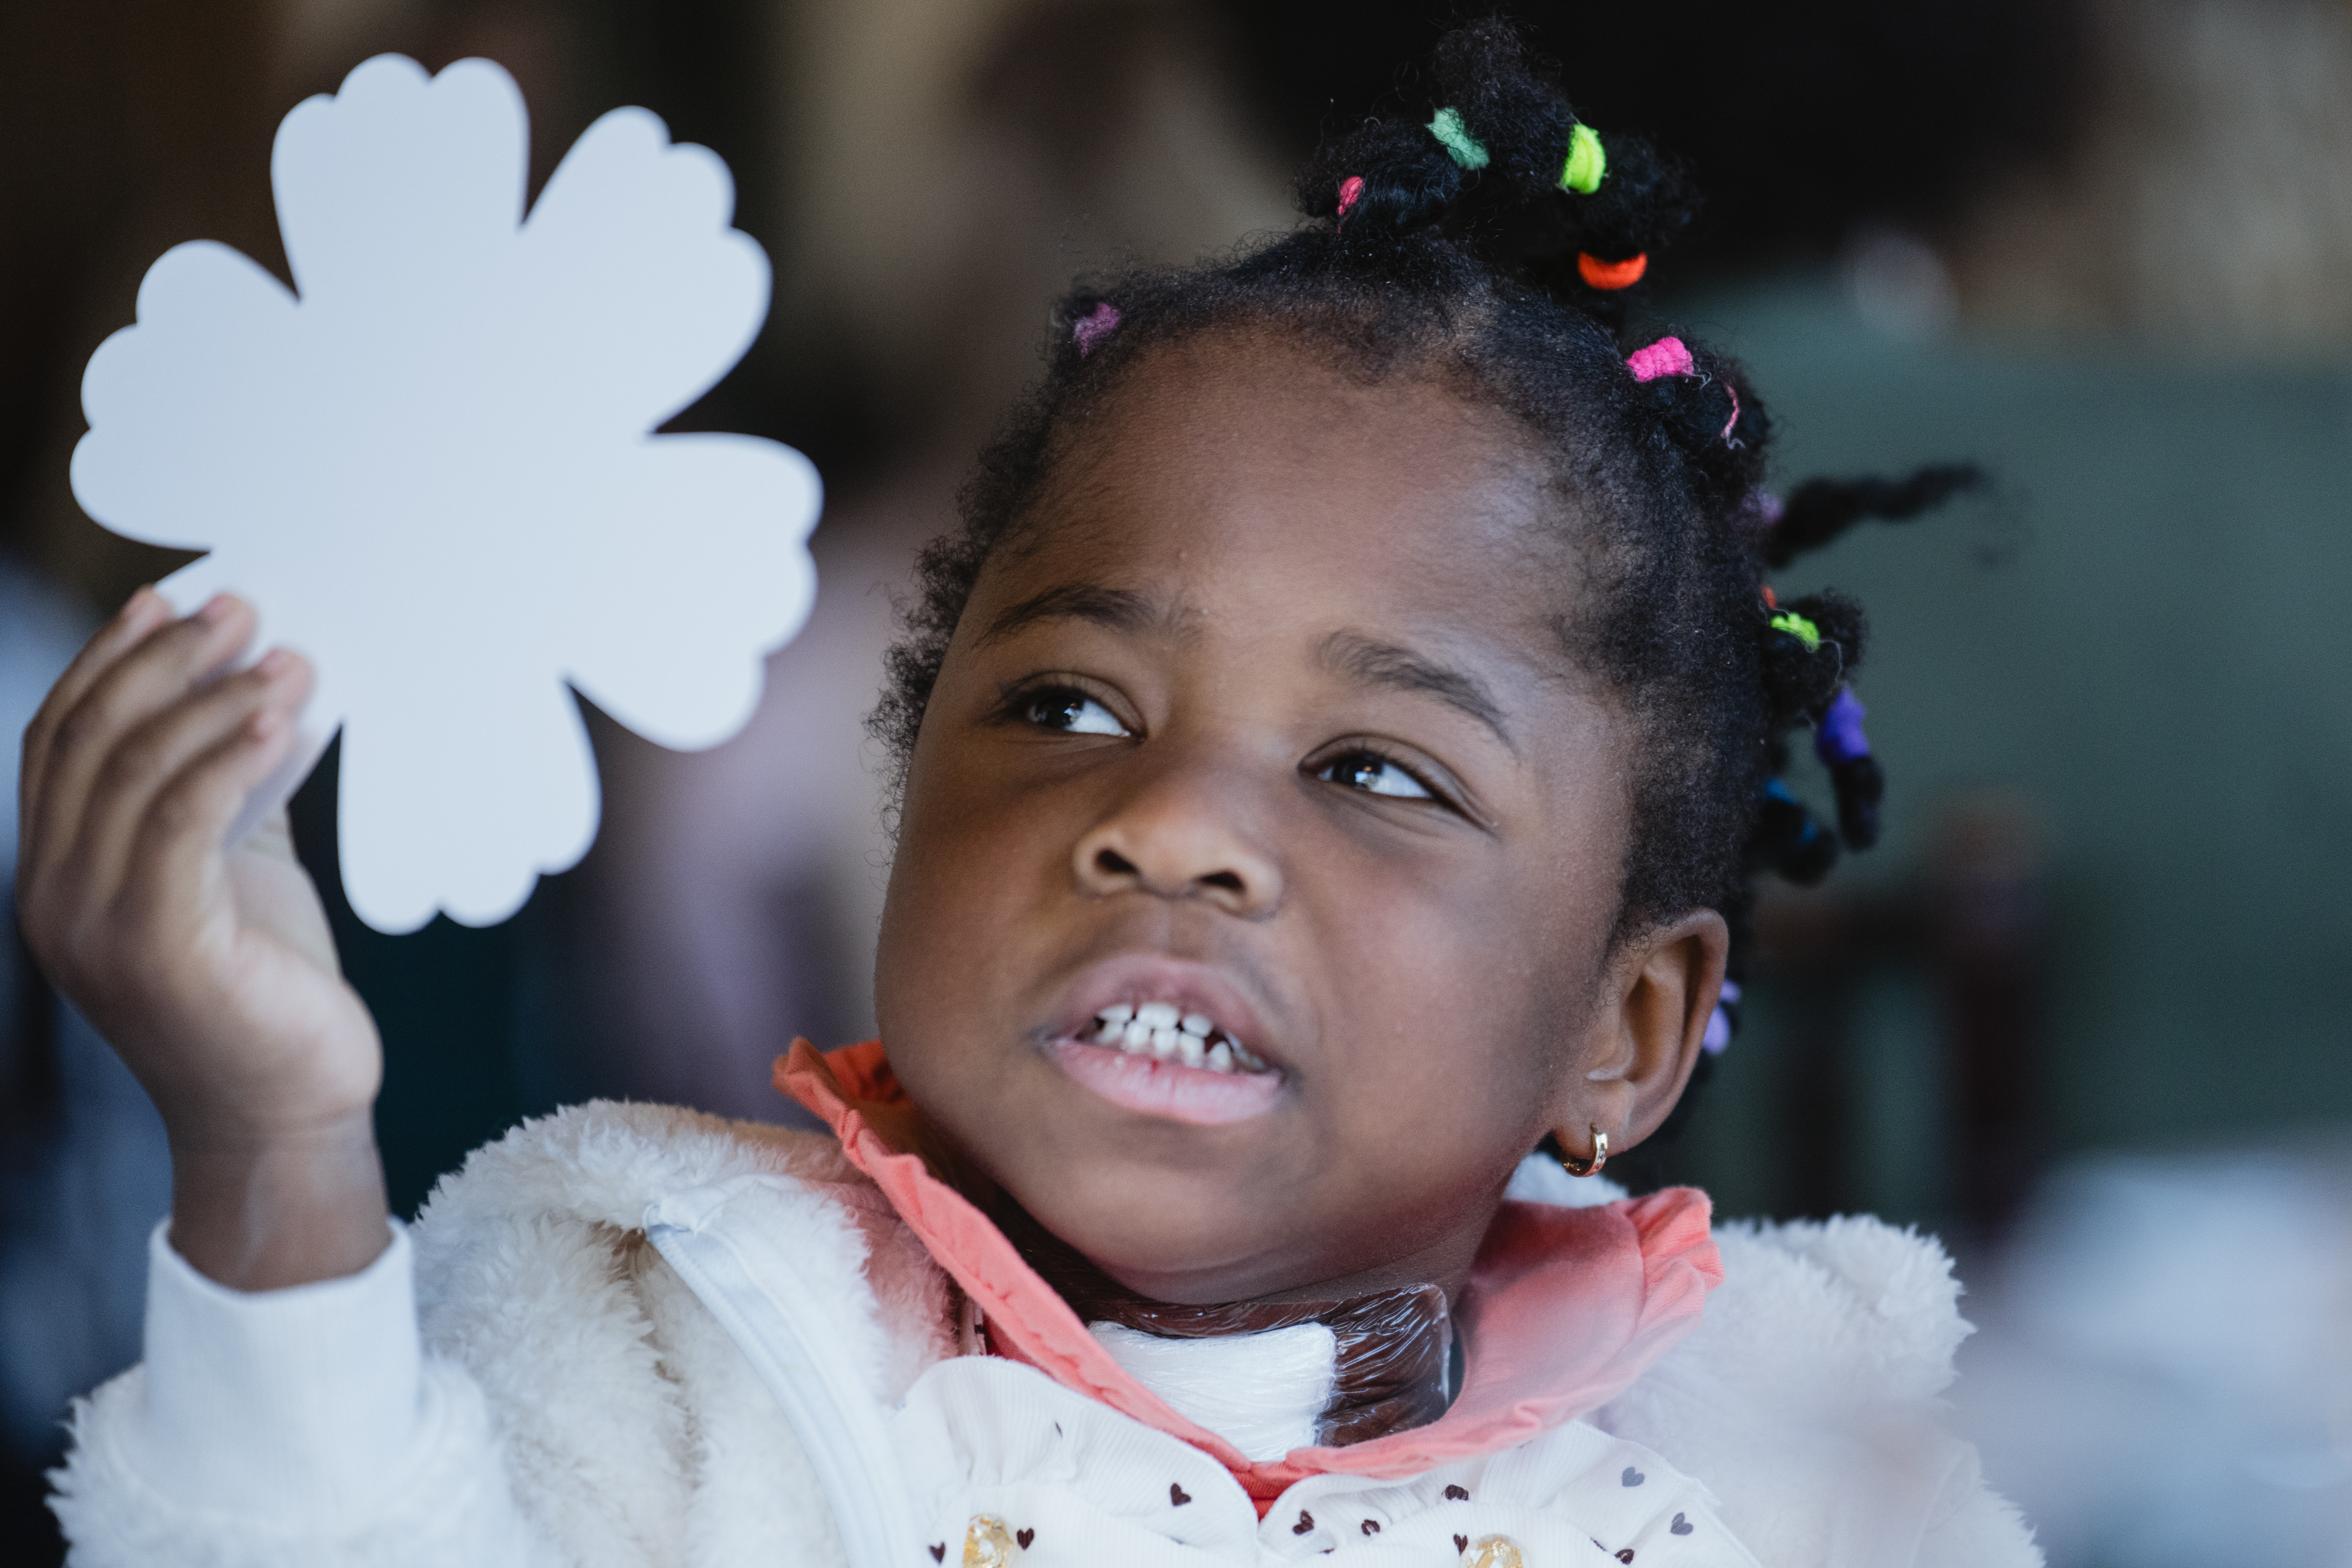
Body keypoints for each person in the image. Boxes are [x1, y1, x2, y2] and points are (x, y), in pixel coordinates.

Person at [20, 24, 2033, 1567]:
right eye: (1073, 703)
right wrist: (271, 1137)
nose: (1173, 821)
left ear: (1629, 1022)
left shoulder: (1783, 1484)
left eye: (1371, 767)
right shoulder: (674, 1341)